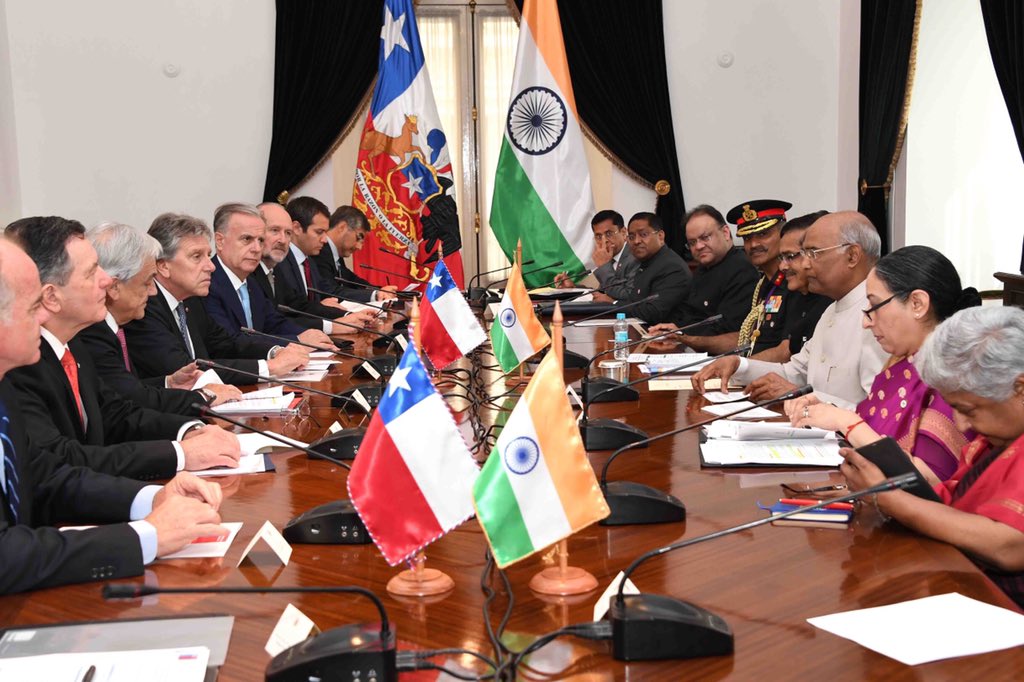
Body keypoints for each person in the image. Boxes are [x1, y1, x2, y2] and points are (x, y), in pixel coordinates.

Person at [0, 236, 226, 594]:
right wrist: (144, 537)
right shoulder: (20, 374)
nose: (43, 317)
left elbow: (45, 475)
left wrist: (153, 498)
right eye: (31, 308)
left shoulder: (7, 387)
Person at [3, 216, 241, 480]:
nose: (107, 281)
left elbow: (115, 414)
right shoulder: (21, 365)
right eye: (92, 271)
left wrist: (189, 430)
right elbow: (59, 462)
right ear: (51, 296)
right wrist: (180, 454)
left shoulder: (74, 344)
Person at [841, 306, 1024, 607]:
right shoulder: (997, 438)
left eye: (969, 410)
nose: (962, 424)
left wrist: (888, 499)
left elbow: (1010, 546)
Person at [787, 246, 981, 480]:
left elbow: (930, 482)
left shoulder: (952, 374)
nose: (866, 323)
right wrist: (829, 412)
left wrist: (846, 421)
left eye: (874, 306)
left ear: (917, 304)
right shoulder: (903, 363)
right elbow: (874, 430)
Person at [691, 211, 888, 407]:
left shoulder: (881, 316)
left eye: (813, 253)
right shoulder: (834, 308)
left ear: (852, 256)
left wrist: (801, 397)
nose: (805, 264)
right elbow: (796, 372)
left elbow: (880, 413)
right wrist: (738, 365)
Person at [124, 212, 308, 386]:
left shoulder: (190, 300)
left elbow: (225, 344)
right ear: (163, 266)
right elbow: (186, 370)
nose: (210, 266)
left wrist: (274, 351)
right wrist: (268, 368)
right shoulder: (145, 307)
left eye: (207, 254)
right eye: (197, 257)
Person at [77, 222, 241, 416]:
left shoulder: (113, 326)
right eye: (147, 282)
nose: (153, 290)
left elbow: (121, 389)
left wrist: (168, 382)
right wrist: (204, 397)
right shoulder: (92, 332)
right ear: (114, 287)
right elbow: (129, 402)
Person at [205, 203, 371, 342]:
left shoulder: (251, 280)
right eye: (247, 239)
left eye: (260, 240)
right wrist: (294, 343)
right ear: (220, 241)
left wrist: (312, 334)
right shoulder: (208, 283)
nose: (257, 248)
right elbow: (229, 343)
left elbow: (276, 320)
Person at [647, 204, 759, 349]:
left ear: (725, 233)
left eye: (705, 237)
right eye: (692, 242)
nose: (699, 246)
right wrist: (672, 329)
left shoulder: (742, 270)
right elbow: (690, 314)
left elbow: (728, 330)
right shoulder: (704, 267)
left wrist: (682, 335)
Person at [274, 196, 362, 327]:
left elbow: (325, 294)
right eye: (319, 232)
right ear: (297, 228)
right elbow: (293, 311)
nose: (325, 240)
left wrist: (348, 315)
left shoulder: (309, 261)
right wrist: (340, 319)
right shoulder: (280, 263)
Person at [606, 212, 690, 325]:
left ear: (660, 236)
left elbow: (652, 313)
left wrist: (614, 304)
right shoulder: (646, 263)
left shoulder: (672, 267)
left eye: (643, 234)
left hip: (668, 338)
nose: (636, 241)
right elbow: (634, 302)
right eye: (631, 237)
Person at [774, 212, 832, 357]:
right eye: (782, 257)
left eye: (790, 257)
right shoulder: (796, 294)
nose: (782, 266)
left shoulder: (833, 299)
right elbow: (797, 363)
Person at [314, 205, 397, 304]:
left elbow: (352, 281)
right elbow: (330, 291)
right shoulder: (319, 251)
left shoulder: (336, 255)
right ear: (342, 227)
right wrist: (374, 294)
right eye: (358, 238)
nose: (359, 247)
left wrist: (380, 291)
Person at [555, 210, 639, 302]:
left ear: (623, 232)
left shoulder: (635, 257)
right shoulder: (609, 257)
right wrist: (573, 288)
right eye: (598, 236)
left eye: (609, 234)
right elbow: (602, 292)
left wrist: (604, 267)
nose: (604, 240)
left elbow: (630, 296)